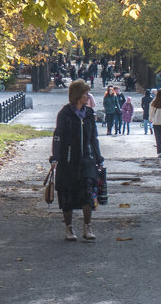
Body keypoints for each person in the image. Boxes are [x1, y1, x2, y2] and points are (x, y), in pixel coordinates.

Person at [50, 79, 103, 241]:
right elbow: (58, 136)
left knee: (87, 193)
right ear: (77, 95)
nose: (88, 96)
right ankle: (69, 228)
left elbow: (94, 138)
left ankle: (87, 227)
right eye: (86, 93)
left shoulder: (88, 114)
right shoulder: (65, 114)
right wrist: (55, 158)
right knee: (67, 194)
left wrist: (99, 158)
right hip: (68, 161)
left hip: (87, 160)